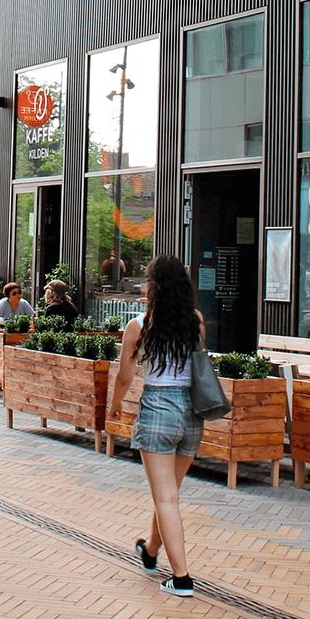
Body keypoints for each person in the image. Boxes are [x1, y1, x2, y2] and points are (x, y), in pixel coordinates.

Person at [105, 255, 206, 598]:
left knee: (165, 499)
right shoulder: (196, 321)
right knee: (170, 496)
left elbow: (124, 375)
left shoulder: (139, 325)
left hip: (158, 408)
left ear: (152, 287)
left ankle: (181, 578)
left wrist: (115, 405)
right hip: (191, 413)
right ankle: (150, 551)